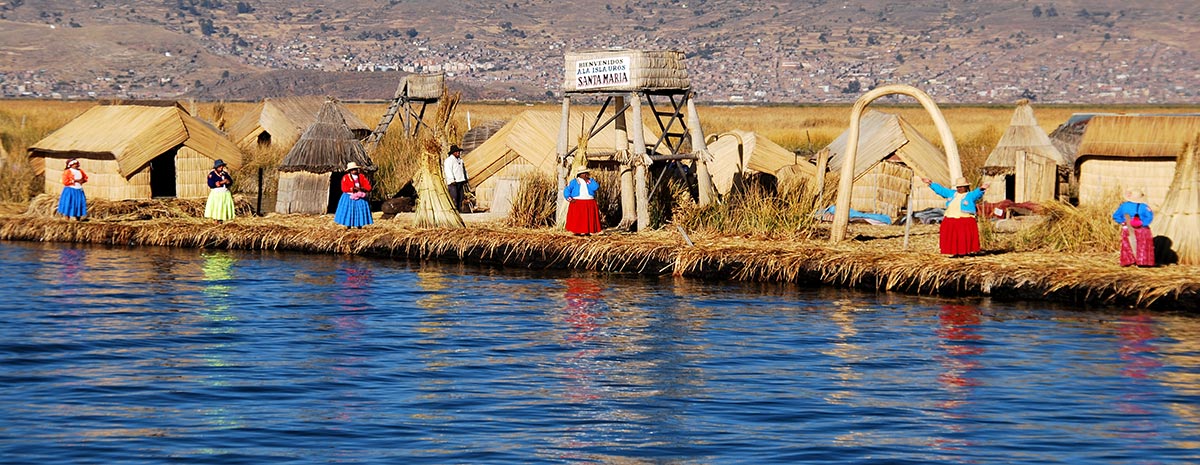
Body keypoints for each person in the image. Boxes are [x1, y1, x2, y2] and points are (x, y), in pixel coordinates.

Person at [922, 176, 988, 257]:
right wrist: (931, 183)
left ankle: (964, 252)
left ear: (966, 187)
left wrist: (981, 189)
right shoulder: (952, 193)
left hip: (964, 219)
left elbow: (977, 193)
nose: (959, 188)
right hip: (950, 218)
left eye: (962, 187)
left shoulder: (970, 195)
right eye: (958, 187)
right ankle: (955, 252)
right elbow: (941, 190)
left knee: (962, 237)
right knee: (952, 237)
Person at [1112, 188, 1155, 267]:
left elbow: (1116, 215)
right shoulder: (1145, 207)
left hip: (1128, 227)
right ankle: (1142, 262)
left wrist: (1122, 222)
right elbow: (1149, 217)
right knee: (1142, 245)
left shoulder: (1124, 206)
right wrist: (1142, 223)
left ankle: (1128, 261)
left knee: (1127, 244)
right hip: (1142, 229)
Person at [564, 167, 601, 236]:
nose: (585, 175)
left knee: (588, 218)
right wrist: (570, 199)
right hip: (577, 202)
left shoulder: (590, 181)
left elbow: (595, 187)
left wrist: (588, 181)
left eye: (586, 173)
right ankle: (577, 232)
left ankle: (588, 231)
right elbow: (567, 190)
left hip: (589, 202)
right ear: (579, 174)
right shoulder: (574, 181)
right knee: (578, 218)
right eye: (583, 173)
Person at [334, 162, 373, 228]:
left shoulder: (361, 176)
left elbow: (368, 187)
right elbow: (344, 188)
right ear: (349, 171)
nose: (354, 171)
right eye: (352, 170)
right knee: (349, 212)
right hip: (349, 197)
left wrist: (362, 188)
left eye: (355, 169)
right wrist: (352, 189)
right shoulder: (345, 177)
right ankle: (348, 226)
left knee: (359, 212)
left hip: (360, 197)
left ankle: (359, 226)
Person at [205, 159, 235, 224]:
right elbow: (211, 184)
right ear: (216, 167)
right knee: (217, 207)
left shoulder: (225, 174)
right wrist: (222, 182)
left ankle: (221, 221)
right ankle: (216, 222)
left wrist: (228, 182)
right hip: (217, 194)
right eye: (219, 166)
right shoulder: (212, 175)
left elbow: (231, 182)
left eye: (222, 166)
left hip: (225, 194)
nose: (221, 167)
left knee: (223, 208)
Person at [443, 145, 468, 212]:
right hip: (453, 182)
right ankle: (454, 211)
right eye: (456, 152)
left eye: (458, 151)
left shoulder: (460, 160)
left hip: (460, 180)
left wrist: (465, 178)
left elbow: (463, 170)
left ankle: (459, 210)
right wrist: (451, 179)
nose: (458, 153)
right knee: (454, 197)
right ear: (452, 153)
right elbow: (448, 170)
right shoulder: (449, 160)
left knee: (461, 197)